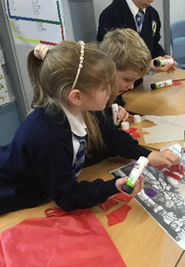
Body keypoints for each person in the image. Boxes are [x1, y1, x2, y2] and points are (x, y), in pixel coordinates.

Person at [0, 41, 144, 215]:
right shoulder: (48, 136)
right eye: (104, 88)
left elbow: (74, 159)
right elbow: (67, 197)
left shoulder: (74, 113)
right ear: (76, 97)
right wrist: (112, 186)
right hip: (10, 198)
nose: (111, 92)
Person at [85, 28, 180, 168]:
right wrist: (148, 155)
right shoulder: (90, 99)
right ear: (107, 68)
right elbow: (109, 135)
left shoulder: (104, 92)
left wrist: (115, 107)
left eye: (135, 81)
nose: (130, 87)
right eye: (127, 79)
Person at [97, 0, 176, 88]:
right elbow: (111, 60)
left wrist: (162, 58)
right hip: (116, 89)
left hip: (137, 86)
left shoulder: (152, 14)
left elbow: (152, 43)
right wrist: (147, 66)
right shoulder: (111, 15)